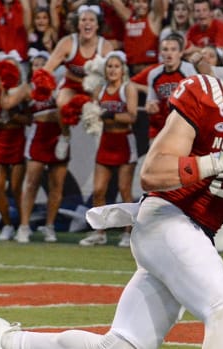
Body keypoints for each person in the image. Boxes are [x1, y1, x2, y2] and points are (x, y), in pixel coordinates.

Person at [0, 15, 223, 349]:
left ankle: (6, 342)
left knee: (121, 346)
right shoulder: (207, 95)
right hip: (165, 217)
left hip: (199, 234)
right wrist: (221, 160)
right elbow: (152, 173)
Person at [79, 51, 138, 248]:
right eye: (109, 66)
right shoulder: (99, 90)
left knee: (124, 190)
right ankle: (99, 232)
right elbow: (93, 114)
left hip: (124, 142)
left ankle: (129, 233)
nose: (113, 70)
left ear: (123, 70)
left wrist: (109, 115)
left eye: (116, 66)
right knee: (98, 190)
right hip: (106, 142)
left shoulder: (128, 88)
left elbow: (132, 117)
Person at [40, 4, 113, 162]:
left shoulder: (105, 46)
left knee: (103, 103)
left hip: (96, 88)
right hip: (71, 85)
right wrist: (41, 81)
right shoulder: (67, 42)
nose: (87, 23)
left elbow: (112, 76)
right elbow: (48, 68)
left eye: (91, 20)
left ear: (97, 24)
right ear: (77, 24)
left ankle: (101, 138)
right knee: (61, 101)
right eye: (83, 20)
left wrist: (96, 90)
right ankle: (65, 136)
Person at [16, 48, 64, 243]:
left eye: (41, 65)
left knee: (55, 185)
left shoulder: (59, 87)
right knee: (31, 183)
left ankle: (50, 226)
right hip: (38, 136)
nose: (38, 68)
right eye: (34, 65)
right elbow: (8, 104)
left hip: (58, 137)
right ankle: (24, 226)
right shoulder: (28, 88)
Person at [0, 54, 30, 241]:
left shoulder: (23, 89)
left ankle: (23, 225)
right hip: (0, 138)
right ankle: (7, 225)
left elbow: (29, 119)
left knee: (15, 188)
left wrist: (15, 116)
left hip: (17, 139)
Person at [144, 33, 197, 142]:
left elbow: (197, 101)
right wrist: (150, 107)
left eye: (173, 49)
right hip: (161, 127)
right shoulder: (154, 74)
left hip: (184, 127)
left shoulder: (189, 71)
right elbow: (151, 101)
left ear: (181, 53)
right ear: (160, 53)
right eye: (165, 49)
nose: (169, 54)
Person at [109, 0, 164, 75]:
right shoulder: (128, 18)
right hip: (130, 71)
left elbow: (159, 5)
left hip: (150, 71)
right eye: (137, 2)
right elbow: (114, 2)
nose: (141, 5)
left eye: (144, 2)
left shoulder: (153, 19)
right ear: (132, 3)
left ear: (149, 4)